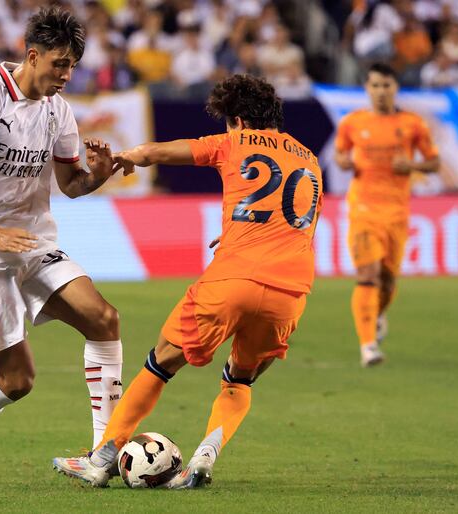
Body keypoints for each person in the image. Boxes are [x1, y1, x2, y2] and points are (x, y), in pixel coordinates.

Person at [53, 74, 323, 488]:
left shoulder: (233, 142)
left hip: (232, 278)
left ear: (237, 120)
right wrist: (236, 231)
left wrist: (130, 156)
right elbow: (293, 222)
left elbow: (166, 151)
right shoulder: (309, 158)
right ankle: (203, 458)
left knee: (160, 362)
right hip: (290, 289)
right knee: (240, 377)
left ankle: (102, 456)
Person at [0, 7, 124, 486]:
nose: (66, 74)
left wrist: (96, 177)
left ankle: (103, 450)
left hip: (34, 244)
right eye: (59, 63)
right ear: (32, 54)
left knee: (104, 319)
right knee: (19, 381)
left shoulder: (58, 109)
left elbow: (70, 184)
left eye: (72, 65)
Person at [334, 62, 439, 367]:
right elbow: (341, 153)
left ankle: (377, 315)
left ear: (395, 88)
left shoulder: (412, 123)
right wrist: (343, 162)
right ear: (367, 89)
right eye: (375, 86)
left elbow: (434, 162)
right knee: (367, 275)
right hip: (362, 209)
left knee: (388, 280)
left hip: (396, 211)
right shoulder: (352, 123)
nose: (381, 92)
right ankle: (368, 346)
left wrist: (413, 166)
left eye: (386, 85)